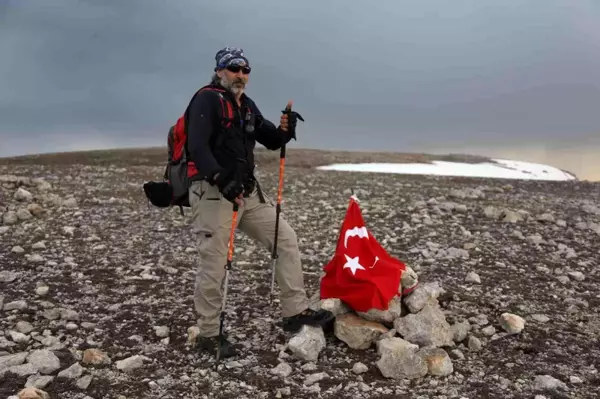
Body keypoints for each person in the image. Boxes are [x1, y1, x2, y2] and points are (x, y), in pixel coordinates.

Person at [185, 47, 334, 358]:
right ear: (220, 71)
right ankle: (209, 335)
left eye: (245, 70)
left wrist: (286, 129)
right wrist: (220, 179)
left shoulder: (247, 106)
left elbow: (271, 139)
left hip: (248, 194)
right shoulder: (207, 99)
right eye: (234, 69)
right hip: (215, 195)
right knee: (214, 264)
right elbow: (196, 146)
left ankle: (295, 311)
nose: (241, 75)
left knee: (286, 239)